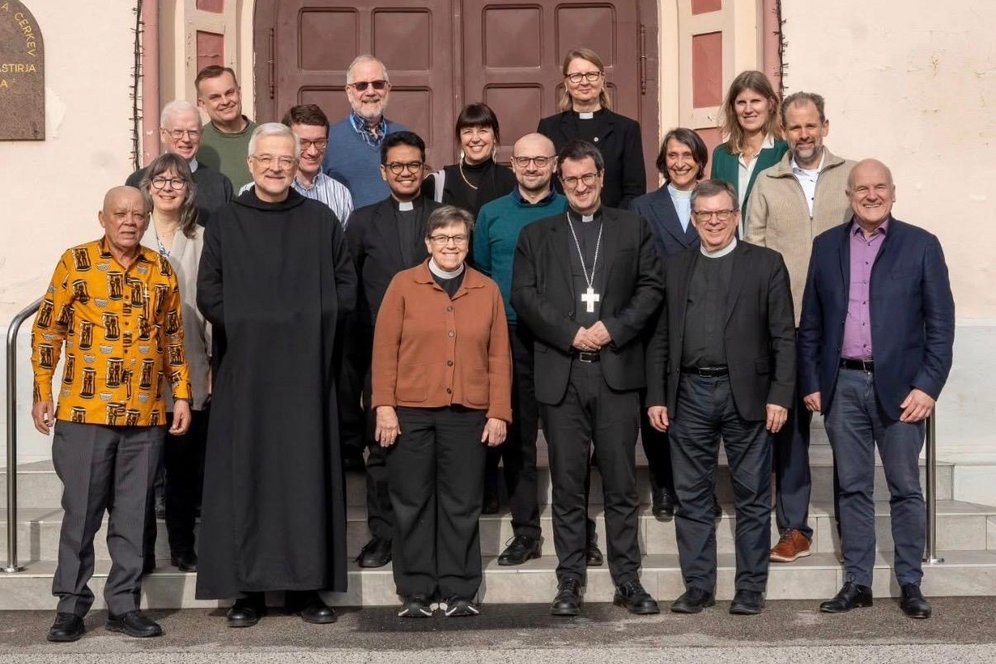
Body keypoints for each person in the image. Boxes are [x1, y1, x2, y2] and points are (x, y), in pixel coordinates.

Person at [195, 123, 357, 627]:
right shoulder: (225, 222)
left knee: (305, 478)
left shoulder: (321, 220)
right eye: (266, 158)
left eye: (285, 159)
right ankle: (246, 591)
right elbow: (210, 292)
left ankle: (308, 587)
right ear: (250, 163)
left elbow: (345, 286)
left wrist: (303, 327)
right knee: (247, 476)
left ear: (298, 164)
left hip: (307, 375)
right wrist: (259, 325)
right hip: (246, 374)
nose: (275, 167)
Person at [32, 186, 192, 642]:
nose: (129, 221)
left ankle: (124, 605)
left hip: (144, 416)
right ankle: (70, 606)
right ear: (102, 218)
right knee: (80, 513)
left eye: (138, 215)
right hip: (86, 415)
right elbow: (48, 330)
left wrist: (181, 395)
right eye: (120, 213)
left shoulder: (161, 269)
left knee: (132, 515)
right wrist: (42, 389)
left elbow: (174, 339)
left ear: (146, 220)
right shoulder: (76, 262)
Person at [511, 139, 663, 617]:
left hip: (616, 375)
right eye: (571, 180)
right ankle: (569, 580)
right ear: (562, 180)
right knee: (568, 483)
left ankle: (628, 578)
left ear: (601, 178)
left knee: (620, 485)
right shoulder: (537, 235)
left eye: (588, 179)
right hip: (563, 374)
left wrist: (611, 329)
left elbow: (651, 286)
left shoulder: (633, 228)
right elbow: (525, 296)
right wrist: (571, 333)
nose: (580, 187)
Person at [799, 159, 955, 619]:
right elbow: (811, 323)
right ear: (848, 195)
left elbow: (940, 329)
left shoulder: (921, 245)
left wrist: (928, 386)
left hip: (903, 390)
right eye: (861, 188)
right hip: (842, 385)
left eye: (879, 187)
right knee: (851, 488)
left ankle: (910, 582)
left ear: (893, 192)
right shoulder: (826, 246)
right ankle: (857, 582)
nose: (871, 195)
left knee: (905, 487)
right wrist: (812, 382)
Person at [645, 179, 795, 616]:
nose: (713, 221)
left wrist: (780, 396)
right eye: (704, 214)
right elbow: (660, 338)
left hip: (746, 395)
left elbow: (784, 337)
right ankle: (698, 587)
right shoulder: (674, 267)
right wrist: (657, 396)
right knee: (691, 497)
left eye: (722, 213)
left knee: (750, 495)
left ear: (735, 216)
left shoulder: (766, 265)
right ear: (693, 219)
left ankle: (749, 587)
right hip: (688, 394)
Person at [372, 205, 512, 618]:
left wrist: (498, 412)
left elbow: (499, 355)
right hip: (410, 412)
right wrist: (384, 406)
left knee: (461, 501)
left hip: (468, 413)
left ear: (469, 244)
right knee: (412, 500)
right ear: (428, 243)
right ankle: (415, 590)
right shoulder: (403, 284)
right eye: (443, 238)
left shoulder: (486, 289)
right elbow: (383, 350)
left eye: (459, 238)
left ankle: (460, 589)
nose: (451, 246)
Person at [745, 91, 855, 564]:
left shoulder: (852, 177)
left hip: (843, 324)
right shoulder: (767, 182)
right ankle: (794, 528)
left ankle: (855, 527)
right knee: (789, 432)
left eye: (811, 126)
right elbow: (755, 249)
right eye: (795, 128)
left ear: (825, 126)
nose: (804, 135)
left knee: (848, 428)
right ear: (783, 131)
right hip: (786, 325)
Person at [346, 131, 442, 569]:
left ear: (425, 169)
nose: (406, 173)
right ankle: (383, 535)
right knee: (381, 447)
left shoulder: (444, 218)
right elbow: (350, 287)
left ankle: (429, 535)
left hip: (439, 351)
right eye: (397, 166)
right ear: (383, 172)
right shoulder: (362, 221)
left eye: (413, 165)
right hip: (377, 353)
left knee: (434, 446)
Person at [473, 132, 566, 564]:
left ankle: (579, 531)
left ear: (555, 164)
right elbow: (483, 272)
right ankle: (526, 531)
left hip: (563, 338)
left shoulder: (571, 209)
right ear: (512, 165)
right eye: (524, 160)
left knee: (568, 439)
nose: (532, 168)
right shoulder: (491, 214)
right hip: (509, 336)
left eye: (540, 161)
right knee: (519, 440)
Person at [631, 127, 719, 521]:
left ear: (700, 160)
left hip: (704, 317)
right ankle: (663, 485)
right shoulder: (643, 207)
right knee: (658, 406)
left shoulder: (716, 202)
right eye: (672, 155)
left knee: (699, 410)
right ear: (662, 162)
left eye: (687, 154)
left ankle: (700, 487)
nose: (680, 162)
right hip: (659, 316)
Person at [136, 154, 211, 575]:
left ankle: (183, 546)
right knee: (142, 470)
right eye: (159, 180)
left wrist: (215, 360)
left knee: (183, 467)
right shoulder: (133, 236)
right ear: (148, 187)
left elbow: (209, 306)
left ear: (188, 190)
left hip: (191, 364)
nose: (167, 186)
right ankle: (141, 550)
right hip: (141, 371)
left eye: (176, 180)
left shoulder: (201, 238)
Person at [537, 48, 645, 209]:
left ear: (602, 79)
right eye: (576, 76)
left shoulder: (627, 129)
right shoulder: (548, 128)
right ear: (566, 82)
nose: (584, 82)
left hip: (612, 224)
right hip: (559, 224)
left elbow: (634, 191)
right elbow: (542, 183)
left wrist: (615, 223)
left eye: (591, 75)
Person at [238, 104, 354, 225]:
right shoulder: (252, 191)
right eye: (303, 143)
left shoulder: (340, 194)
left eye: (320, 142)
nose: (312, 152)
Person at [126, 100, 233, 222]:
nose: (186, 139)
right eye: (178, 132)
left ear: (201, 135)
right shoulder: (138, 181)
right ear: (163, 134)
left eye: (192, 132)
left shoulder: (220, 185)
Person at [325, 55, 409, 208]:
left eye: (378, 84)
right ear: (349, 92)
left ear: (388, 89)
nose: (370, 92)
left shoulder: (404, 136)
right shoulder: (328, 141)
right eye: (362, 85)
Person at [709, 71, 788, 229]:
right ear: (733, 107)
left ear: (771, 104)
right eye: (741, 102)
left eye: (756, 101)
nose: (748, 109)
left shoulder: (784, 152)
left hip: (769, 249)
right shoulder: (722, 154)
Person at [423, 103, 517, 219]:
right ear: (460, 138)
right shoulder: (437, 182)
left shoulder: (511, 181)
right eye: (468, 132)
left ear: (495, 136)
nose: (475, 139)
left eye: (483, 131)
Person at [195, 66, 258, 189]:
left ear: (239, 93)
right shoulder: (194, 144)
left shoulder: (265, 137)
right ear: (202, 104)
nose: (225, 101)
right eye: (215, 97)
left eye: (229, 93)